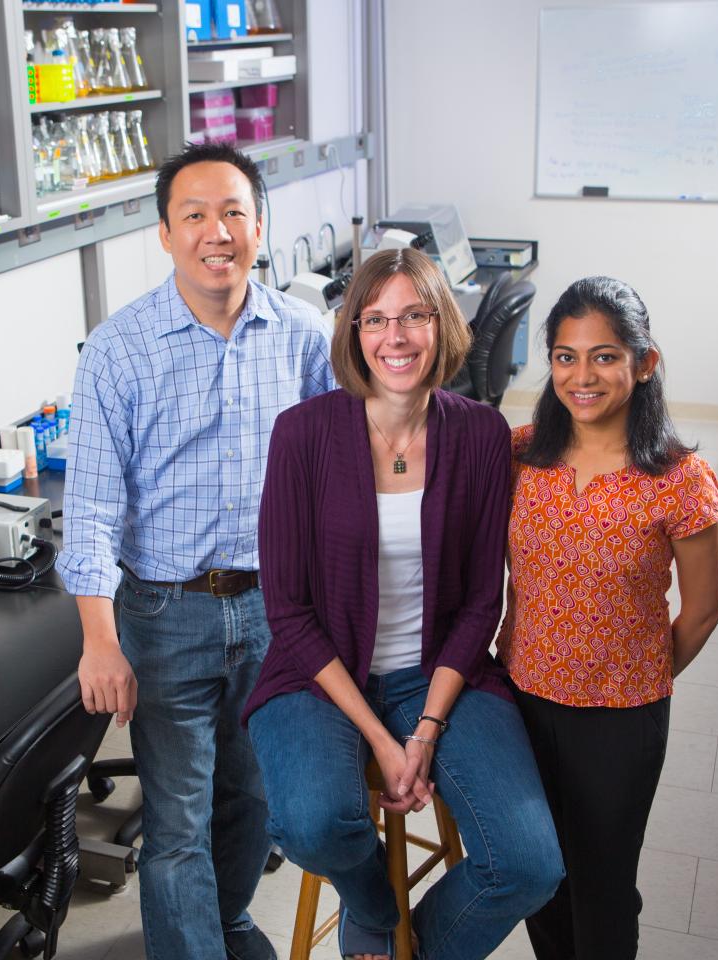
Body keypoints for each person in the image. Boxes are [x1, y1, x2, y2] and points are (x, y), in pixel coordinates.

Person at [245, 248, 565, 960]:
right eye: (377, 319)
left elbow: (483, 601)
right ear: (354, 332)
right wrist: (385, 744)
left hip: (440, 670)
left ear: (441, 323)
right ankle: (373, 903)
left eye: (414, 315)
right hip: (318, 673)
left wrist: (421, 731)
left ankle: (412, 946)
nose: (396, 337)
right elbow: (288, 611)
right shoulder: (302, 435)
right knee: (313, 823)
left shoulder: (479, 435)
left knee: (529, 865)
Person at [57, 141, 334, 960]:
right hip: (165, 612)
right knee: (178, 821)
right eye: (195, 215)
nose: (217, 231)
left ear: (259, 225)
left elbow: (335, 481)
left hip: (275, 609)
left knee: (253, 795)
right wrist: (100, 639)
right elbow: (94, 508)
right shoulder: (118, 350)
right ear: (165, 233)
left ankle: (228, 923)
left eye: (234, 212)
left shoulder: (303, 337)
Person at [498, 276, 718, 960]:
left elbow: (705, 609)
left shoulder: (678, 477)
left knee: (602, 884)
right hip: (523, 699)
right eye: (565, 356)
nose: (581, 375)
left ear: (643, 361)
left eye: (603, 356)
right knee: (544, 876)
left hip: (621, 717)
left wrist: (632, 674)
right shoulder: (520, 454)